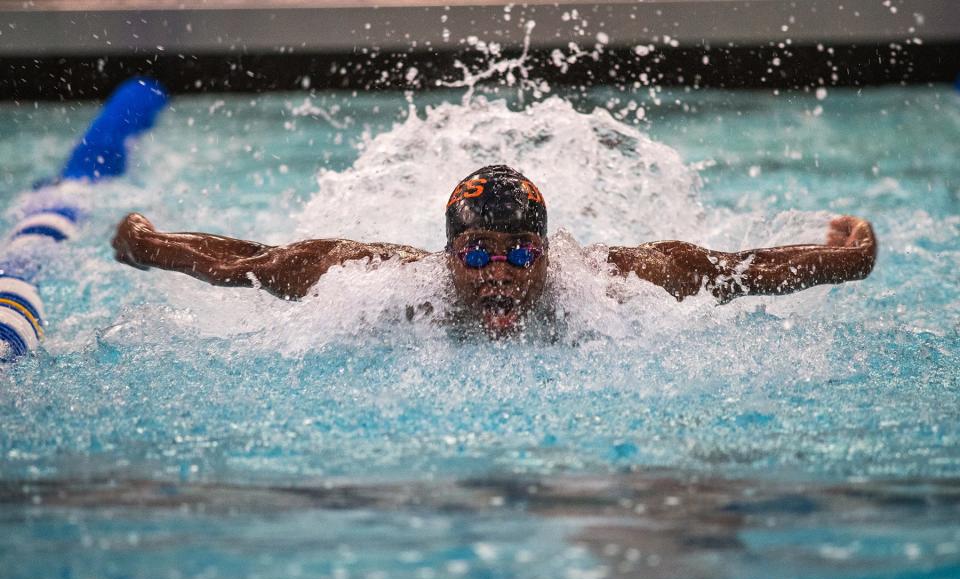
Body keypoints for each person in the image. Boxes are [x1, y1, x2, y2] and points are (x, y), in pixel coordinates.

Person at [111, 165, 877, 335]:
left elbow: (738, 273)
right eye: (477, 255)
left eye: (520, 254)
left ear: (548, 254)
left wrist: (846, 258)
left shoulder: (611, 283)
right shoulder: (382, 284)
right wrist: (145, 243)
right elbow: (248, 262)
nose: (500, 274)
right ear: (447, 257)